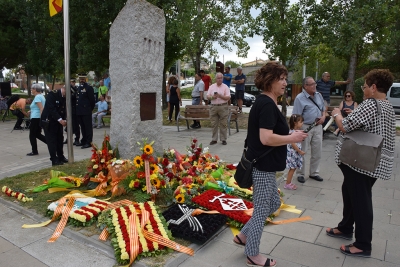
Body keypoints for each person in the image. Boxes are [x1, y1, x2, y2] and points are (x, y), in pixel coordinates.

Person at [232, 62, 307, 267]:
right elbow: (266, 138)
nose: (285, 82)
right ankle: (252, 254)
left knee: (273, 204)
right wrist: (292, 138)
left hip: (266, 165)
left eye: (285, 78)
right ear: (269, 81)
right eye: (281, 79)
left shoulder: (268, 102)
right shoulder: (266, 104)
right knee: (262, 209)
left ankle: (244, 236)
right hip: (262, 166)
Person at [326, 69, 396, 257]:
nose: (363, 90)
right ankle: (346, 227)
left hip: (360, 162)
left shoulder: (371, 104)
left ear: (373, 87)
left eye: (365, 86)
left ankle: (363, 244)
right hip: (372, 160)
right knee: (350, 192)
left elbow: (344, 126)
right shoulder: (386, 105)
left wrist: (336, 114)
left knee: (361, 200)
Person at [293, 76, 326, 183]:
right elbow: (296, 116)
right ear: (305, 86)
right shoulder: (299, 98)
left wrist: (323, 116)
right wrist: (297, 130)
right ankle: (300, 173)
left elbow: (323, 109)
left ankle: (314, 173)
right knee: (303, 151)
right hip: (306, 127)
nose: (314, 86)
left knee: (317, 151)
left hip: (318, 127)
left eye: (315, 83)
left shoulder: (319, 95)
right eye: (311, 84)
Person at [41, 87, 68, 166]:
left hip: (58, 121)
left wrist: (65, 119)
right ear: (63, 89)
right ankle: (54, 159)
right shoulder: (53, 94)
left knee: (60, 139)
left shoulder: (65, 97)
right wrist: (60, 119)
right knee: (52, 141)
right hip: (49, 121)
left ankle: (61, 156)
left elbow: (65, 109)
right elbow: (51, 108)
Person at [206, 72, 230, 145]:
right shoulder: (212, 87)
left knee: (223, 124)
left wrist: (220, 96)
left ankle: (223, 139)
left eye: (221, 78)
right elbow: (207, 96)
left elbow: (228, 97)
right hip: (214, 106)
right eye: (218, 78)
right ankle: (214, 139)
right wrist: (213, 97)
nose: (220, 79)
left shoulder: (225, 87)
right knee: (214, 123)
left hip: (223, 106)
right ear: (216, 79)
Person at [285, 114, 306, 190]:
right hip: (292, 153)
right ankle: (287, 183)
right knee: (292, 168)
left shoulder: (296, 131)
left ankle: (289, 182)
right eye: (301, 121)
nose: (302, 123)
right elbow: (293, 143)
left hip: (294, 153)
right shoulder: (292, 132)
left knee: (293, 168)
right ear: (295, 123)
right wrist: (299, 151)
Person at [75, 74, 95, 149]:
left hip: (86, 110)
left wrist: (90, 109)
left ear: (86, 79)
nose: (81, 80)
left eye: (83, 79)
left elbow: (92, 100)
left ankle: (89, 141)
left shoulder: (88, 88)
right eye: (80, 79)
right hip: (80, 111)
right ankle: (84, 140)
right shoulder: (79, 88)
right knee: (82, 127)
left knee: (87, 127)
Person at [27, 84, 47, 156]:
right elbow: (37, 108)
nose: (31, 90)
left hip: (36, 118)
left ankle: (34, 151)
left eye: (32, 89)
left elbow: (41, 108)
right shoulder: (41, 96)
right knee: (37, 134)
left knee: (32, 134)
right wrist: (30, 111)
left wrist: (42, 119)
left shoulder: (37, 97)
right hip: (36, 116)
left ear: (35, 89)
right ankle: (50, 143)